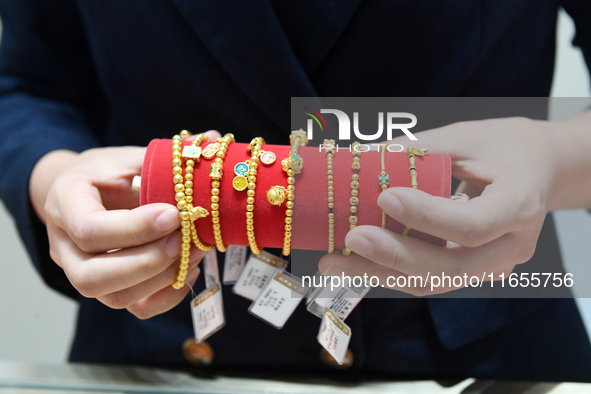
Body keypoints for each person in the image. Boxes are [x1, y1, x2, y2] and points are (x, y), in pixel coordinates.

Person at [1, 0, 591, 382]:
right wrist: (53, 176)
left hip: (486, 351)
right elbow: (26, 80)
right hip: (156, 342)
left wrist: (558, 160)